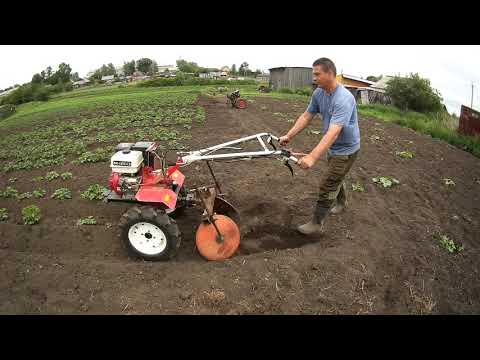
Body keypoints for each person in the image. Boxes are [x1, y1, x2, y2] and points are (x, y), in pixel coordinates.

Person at [279, 58, 360, 235]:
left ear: (330, 73)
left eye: (317, 74)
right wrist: (289, 135)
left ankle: (317, 223)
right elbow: (307, 116)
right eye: (313, 74)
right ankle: (342, 202)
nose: (314, 77)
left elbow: (333, 132)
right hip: (333, 147)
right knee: (336, 175)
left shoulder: (344, 98)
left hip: (346, 149)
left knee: (328, 183)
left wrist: (312, 157)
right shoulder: (319, 93)